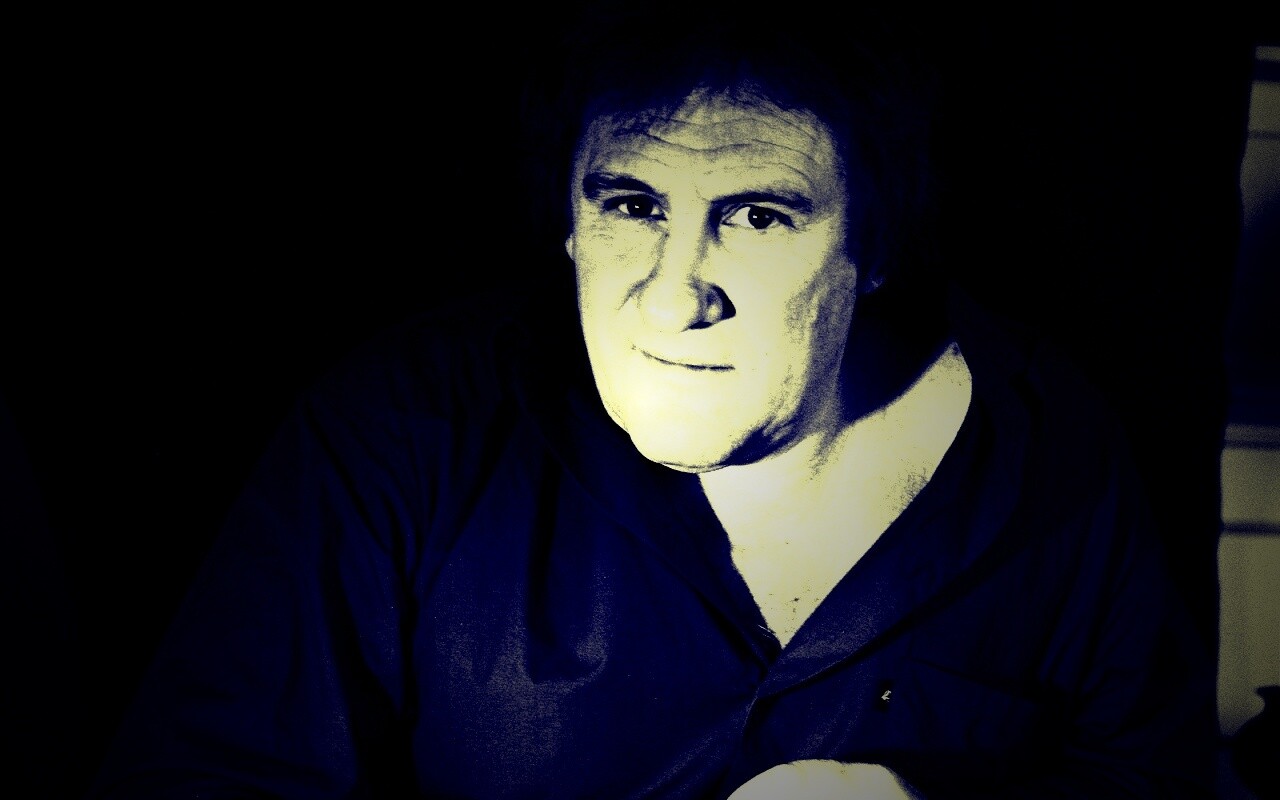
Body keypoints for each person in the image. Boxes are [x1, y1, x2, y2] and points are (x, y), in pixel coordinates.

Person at [87, 5, 1218, 798]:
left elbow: (1149, 779)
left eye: (758, 216)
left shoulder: (1047, 450)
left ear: (872, 247)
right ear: (568, 222)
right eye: (631, 205)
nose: (675, 298)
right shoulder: (408, 430)